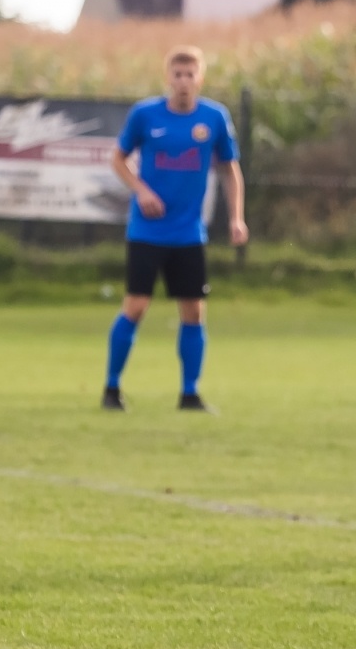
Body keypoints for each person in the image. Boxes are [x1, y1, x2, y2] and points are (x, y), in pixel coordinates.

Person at [103, 45, 248, 412]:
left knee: (194, 312)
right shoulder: (145, 115)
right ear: (168, 78)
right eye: (177, 74)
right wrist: (141, 190)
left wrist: (236, 217)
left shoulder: (214, 118)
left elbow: (230, 170)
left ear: (200, 78)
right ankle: (111, 388)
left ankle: (189, 393)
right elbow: (118, 160)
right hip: (147, 231)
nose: (183, 81)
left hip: (188, 233)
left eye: (190, 74)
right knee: (136, 305)